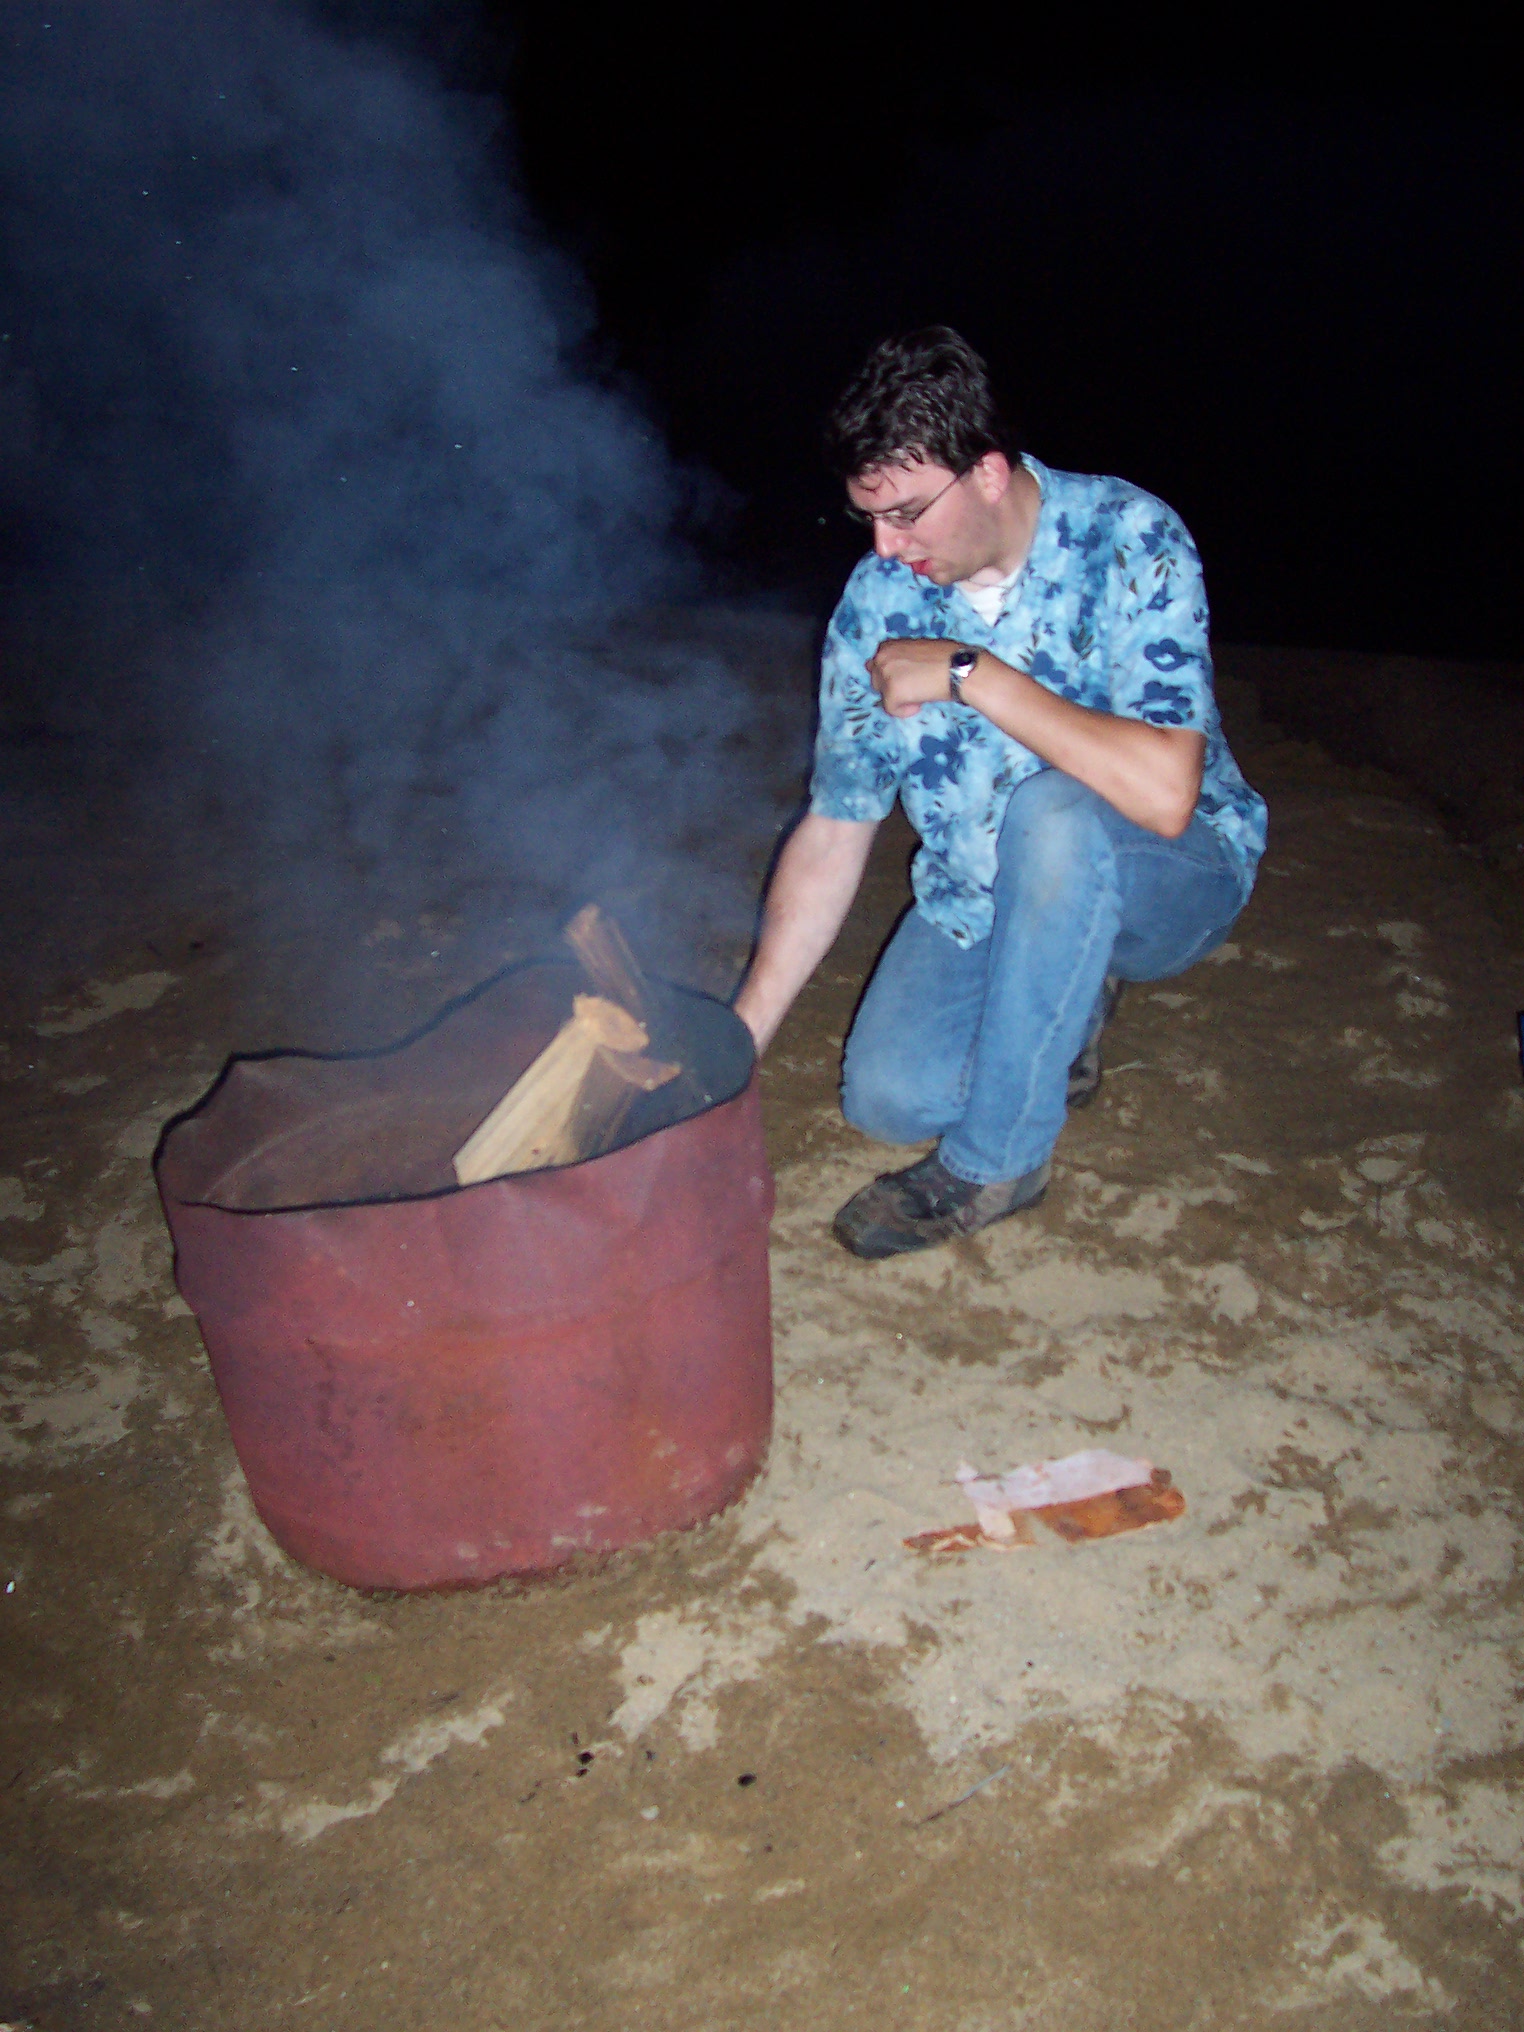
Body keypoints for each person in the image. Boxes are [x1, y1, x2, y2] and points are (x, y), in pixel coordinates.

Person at [733, 327, 1267, 1259]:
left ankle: (996, 1165)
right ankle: (1069, 996)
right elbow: (836, 827)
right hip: (982, 899)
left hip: (1172, 875)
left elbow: (1165, 795)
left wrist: (970, 674)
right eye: (868, 518)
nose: (886, 545)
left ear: (986, 473)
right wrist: (741, 1040)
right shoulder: (876, 603)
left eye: (906, 514)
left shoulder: (1130, 536)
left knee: (1054, 816)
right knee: (888, 1098)